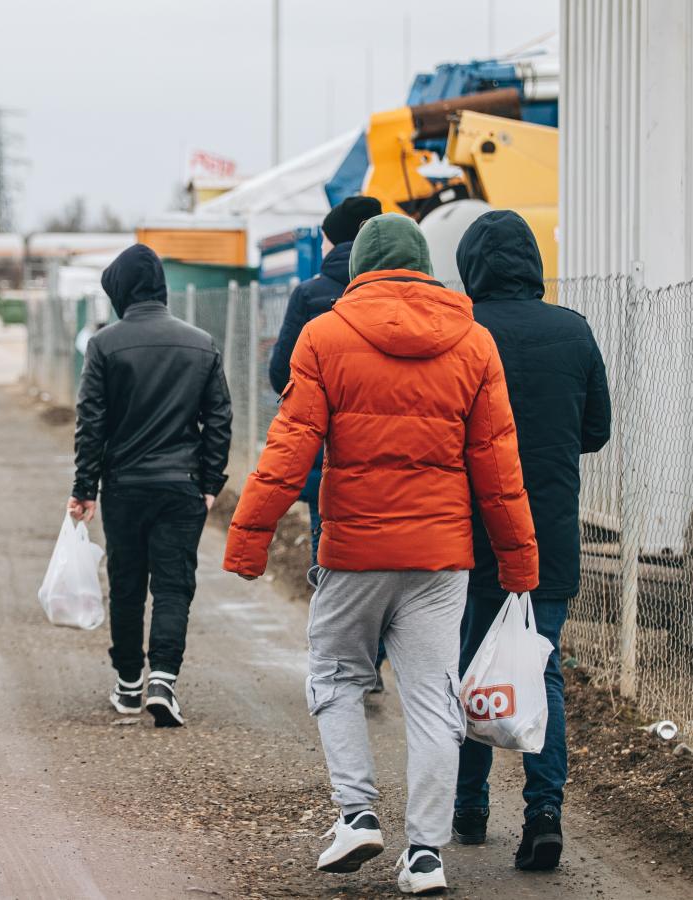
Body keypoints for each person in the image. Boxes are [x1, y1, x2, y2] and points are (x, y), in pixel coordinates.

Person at [224, 214, 538, 896]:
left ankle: (358, 813)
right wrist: (518, 564)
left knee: (336, 676)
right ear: (425, 266)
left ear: (360, 265)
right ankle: (425, 854)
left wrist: (250, 538)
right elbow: (498, 466)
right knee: (432, 700)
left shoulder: (325, 336)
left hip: (355, 550)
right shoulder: (474, 343)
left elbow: (289, 449)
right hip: (439, 557)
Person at [450, 210, 611, 870]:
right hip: (550, 538)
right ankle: (544, 812)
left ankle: (469, 806)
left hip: (475, 535)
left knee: (470, 669)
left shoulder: (463, 330)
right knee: (541, 670)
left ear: (472, 265)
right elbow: (596, 429)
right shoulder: (573, 331)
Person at [70, 243, 232, 728]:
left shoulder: (104, 344)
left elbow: (91, 422)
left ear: (121, 290)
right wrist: (210, 481)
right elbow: (219, 418)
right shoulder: (200, 343)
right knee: (173, 586)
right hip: (181, 486)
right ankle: (163, 678)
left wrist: (85, 487)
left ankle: (127, 685)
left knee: (125, 585)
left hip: (123, 486)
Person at [265, 195, 382, 550]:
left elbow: (280, 372)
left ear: (336, 241)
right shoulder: (412, 293)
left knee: (330, 566)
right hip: (398, 462)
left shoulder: (311, 295)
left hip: (329, 457)